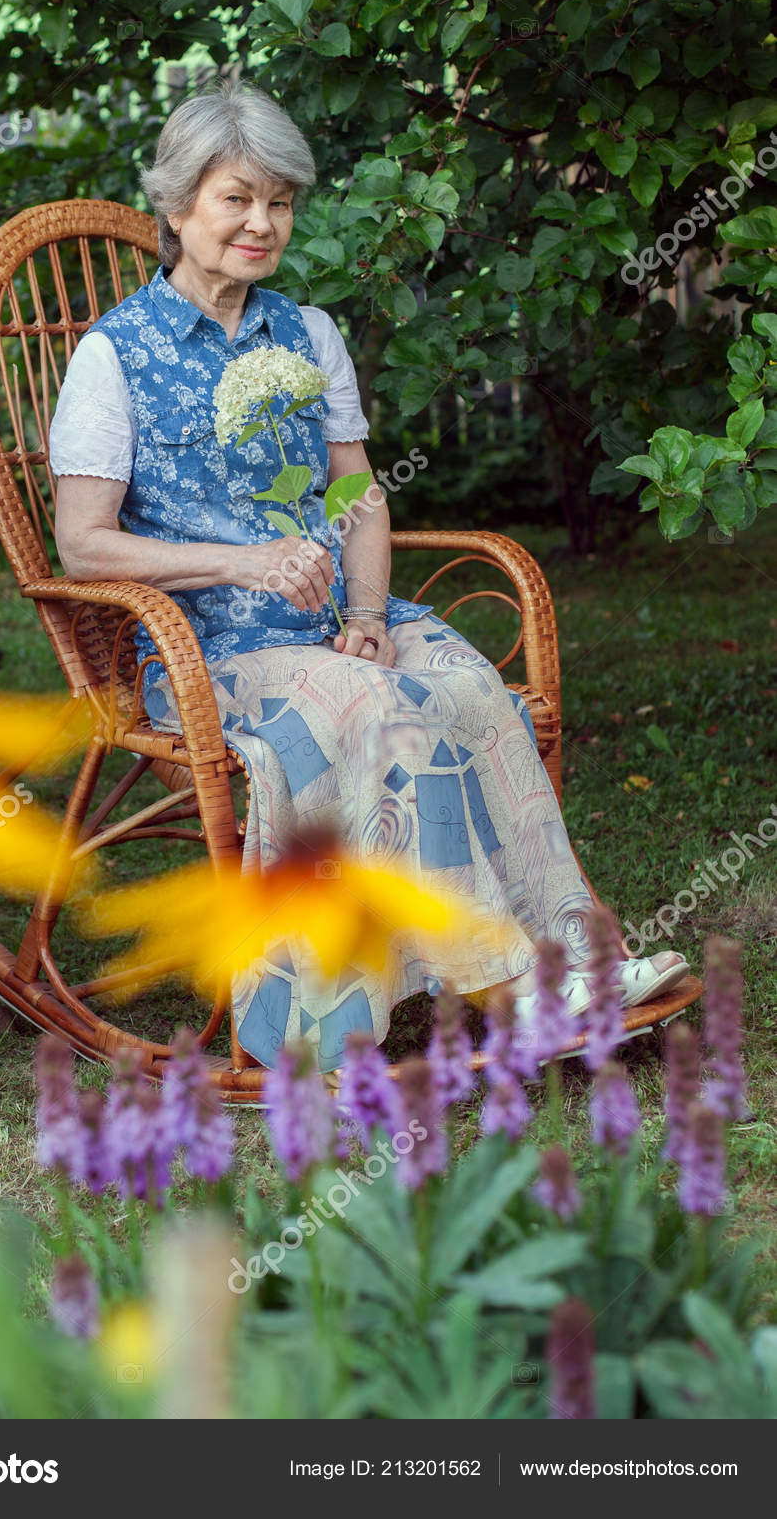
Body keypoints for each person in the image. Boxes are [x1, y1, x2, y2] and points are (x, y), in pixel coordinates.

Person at [47, 76, 687, 1072]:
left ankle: (578, 955)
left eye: (280, 201)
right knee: (379, 712)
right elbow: (82, 544)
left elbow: (359, 494)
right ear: (175, 206)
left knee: (471, 687)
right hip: (204, 647)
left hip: (333, 619)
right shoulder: (111, 357)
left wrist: (364, 612)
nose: (263, 223)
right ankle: (517, 988)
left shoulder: (307, 332)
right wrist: (244, 559)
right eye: (236, 198)